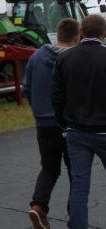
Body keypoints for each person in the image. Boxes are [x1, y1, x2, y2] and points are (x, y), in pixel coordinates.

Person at [23, 18, 79, 229]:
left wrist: (37, 109)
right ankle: (75, 216)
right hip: (68, 123)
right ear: (76, 36)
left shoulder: (36, 56)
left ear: (58, 32)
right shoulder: (73, 58)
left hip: (44, 123)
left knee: (49, 168)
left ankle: (38, 206)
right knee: (76, 171)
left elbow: (26, 87)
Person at [51, 14, 106, 229]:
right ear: (103, 33)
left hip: (76, 131)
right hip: (103, 129)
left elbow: (57, 96)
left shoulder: (64, 58)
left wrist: (63, 124)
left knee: (79, 186)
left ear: (81, 32)